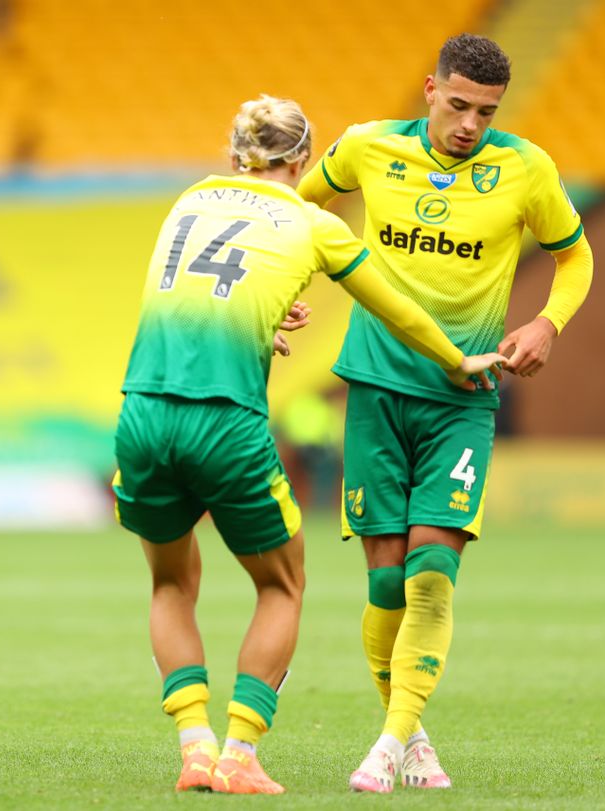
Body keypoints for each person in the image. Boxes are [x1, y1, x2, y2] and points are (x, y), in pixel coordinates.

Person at [112, 95, 505, 795]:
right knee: (282, 582)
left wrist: (264, 321)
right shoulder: (312, 221)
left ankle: (194, 744)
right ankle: (239, 753)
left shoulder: (188, 204)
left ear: (235, 156)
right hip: (224, 421)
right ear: (301, 159)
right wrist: (456, 357)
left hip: (141, 413)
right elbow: (394, 305)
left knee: (171, 580)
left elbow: (202, 293)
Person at [295, 34, 594, 793]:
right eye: (458, 105)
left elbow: (577, 255)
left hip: (462, 401)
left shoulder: (525, 168)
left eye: (485, 112)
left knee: (433, 571)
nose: (470, 123)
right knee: (387, 582)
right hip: (373, 390)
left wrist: (548, 321)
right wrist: (283, 287)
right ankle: (413, 732)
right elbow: (296, 208)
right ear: (430, 89)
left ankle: (388, 745)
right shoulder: (367, 149)